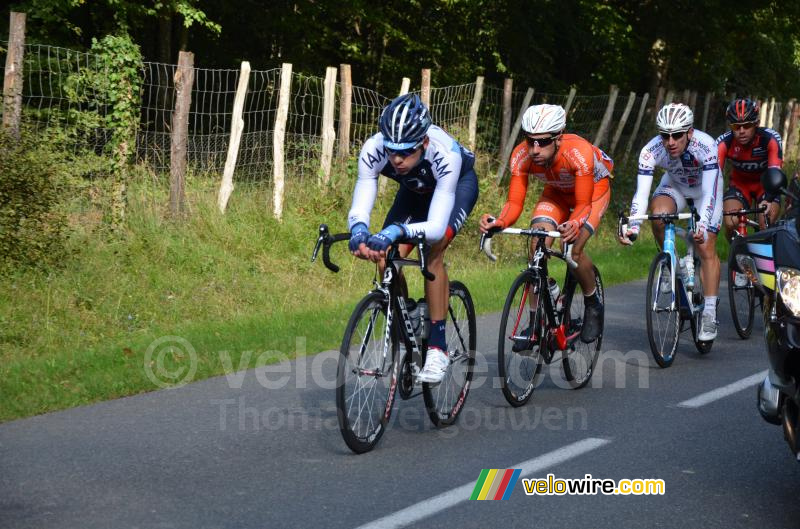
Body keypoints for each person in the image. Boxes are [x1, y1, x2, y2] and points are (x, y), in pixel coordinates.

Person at [347, 93, 479, 384]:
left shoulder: (445, 154)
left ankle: (437, 346)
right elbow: (363, 195)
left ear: (424, 143)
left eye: (405, 152)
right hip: (415, 191)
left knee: (433, 250)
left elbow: (433, 227)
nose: (396, 159)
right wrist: (358, 230)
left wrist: (396, 231)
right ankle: (407, 318)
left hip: (455, 188)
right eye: (392, 150)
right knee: (385, 256)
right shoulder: (374, 148)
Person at [479, 104, 612, 343]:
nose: (534, 149)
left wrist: (574, 223)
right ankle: (536, 321)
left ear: (559, 138)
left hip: (592, 194)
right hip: (557, 194)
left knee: (572, 249)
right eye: (530, 141)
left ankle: (593, 303)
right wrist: (499, 221)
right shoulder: (521, 155)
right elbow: (514, 202)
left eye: (542, 142)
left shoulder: (578, 152)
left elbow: (583, 204)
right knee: (536, 245)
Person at [619, 103, 723, 341]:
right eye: (665, 136)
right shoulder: (650, 150)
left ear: (689, 132)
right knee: (658, 214)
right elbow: (642, 194)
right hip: (675, 185)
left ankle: (708, 313)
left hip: (705, 190)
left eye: (677, 135)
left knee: (705, 245)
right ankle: (671, 263)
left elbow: (709, 193)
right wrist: (633, 226)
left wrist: (703, 224)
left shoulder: (706, 145)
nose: (670, 142)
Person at [717, 98, 783, 242]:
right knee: (730, 222)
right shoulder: (723, 143)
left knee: (765, 221)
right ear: (730, 126)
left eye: (747, 126)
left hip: (766, 185)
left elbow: (775, 173)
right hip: (740, 185)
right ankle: (735, 251)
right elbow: (714, 177)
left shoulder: (770, 138)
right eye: (736, 127)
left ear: (756, 124)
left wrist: (770, 198)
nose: (741, 131)